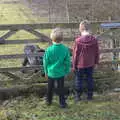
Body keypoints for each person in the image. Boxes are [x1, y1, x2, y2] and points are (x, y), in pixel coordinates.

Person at [72, 20, 99, 101]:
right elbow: (97, 52)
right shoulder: (94, 40)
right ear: (89, 29)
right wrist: (96, 62)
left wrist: (74, 65)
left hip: (80, 65)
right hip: (90, 63)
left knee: (78, 80)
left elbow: (75, 54)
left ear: (81, 29)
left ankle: (78, 96)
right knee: (89, 79)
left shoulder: (78, 41)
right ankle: (90, 96)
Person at [43, 28, 71, 108]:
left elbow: (45, 62)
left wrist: (45, 72)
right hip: (60, 73)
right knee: (61, 88)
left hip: (51, 73)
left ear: (52, 39)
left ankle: (48, 101)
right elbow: (67, 62)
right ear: (62, 39)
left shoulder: (48, 50)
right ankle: (62, 103)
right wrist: (66, 71)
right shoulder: (65, 49)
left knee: (50, 87)